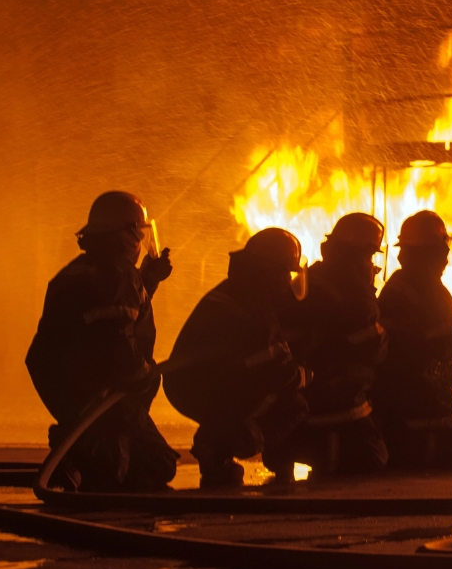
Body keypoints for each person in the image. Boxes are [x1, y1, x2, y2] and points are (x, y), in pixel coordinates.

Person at [26, 191, 179, 491]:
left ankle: (80, 442)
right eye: (138, 233)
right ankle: (81, 450)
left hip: (65, 383)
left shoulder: (83, 269)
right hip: (101, 388)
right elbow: (117, 333)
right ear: (127, 234)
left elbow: (111, 313)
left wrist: (148, 280)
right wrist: (137, 374)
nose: (140, 242)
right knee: (157, 464)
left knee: (117, 444)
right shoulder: (117, 274)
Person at [163, 228, 310, 487]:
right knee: (293, 403)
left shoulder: (242, 291)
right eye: (285, 272)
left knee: (264, 392)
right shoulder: (253, 304)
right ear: (270, 271)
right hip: (200, 386)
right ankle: (219, 447)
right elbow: (275, 367)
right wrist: (303, 376)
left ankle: (217, 446)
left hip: (192, 380)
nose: (288, 281)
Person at [268, 213, 389, 478]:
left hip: (293, 404)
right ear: (360, 254)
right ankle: (331, 454)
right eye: (371, 257)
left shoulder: (309, 278)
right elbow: (375, 352)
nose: (373, 266)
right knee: (374, 459)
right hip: (335, 407)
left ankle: (290, 450)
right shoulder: (354, 293)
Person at [371, 211, 452, 469]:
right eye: (443, 250)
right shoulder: (430, 293)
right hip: (426, 414)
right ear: (435, 253)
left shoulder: (397, 286)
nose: (447, 257)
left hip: (399, 416)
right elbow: (441, 345)